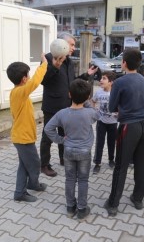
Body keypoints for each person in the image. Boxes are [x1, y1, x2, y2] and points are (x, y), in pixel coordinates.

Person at [39, 32, 98, 177]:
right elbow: (43, 81)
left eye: (74, 45)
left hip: (66, 105)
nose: (73, 48)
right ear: (62, 44)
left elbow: (71, 82)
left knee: (64, 135)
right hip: (52, 106)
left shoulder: (70, 61)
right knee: (48, 135)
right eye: (71, 45)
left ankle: (63, 159)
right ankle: (44, 165)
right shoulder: (48, 58)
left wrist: (85, 75)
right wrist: (54, 67)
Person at [7, 53, 63, 202]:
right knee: (34, 164)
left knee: (24, 164)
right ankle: (20, 193)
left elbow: (33, 81)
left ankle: (32, 184)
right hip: (22, 138)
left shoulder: (18, 92)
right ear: (24, 79)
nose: (30, 77)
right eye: (28, 75)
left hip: (24, 136)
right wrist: (44, 64)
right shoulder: (19, 92)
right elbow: (35, 82)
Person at [103, 48, 144, 217]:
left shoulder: (120, 82)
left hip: (129, 126)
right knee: (140, 163)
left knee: (121, 166)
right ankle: (138, 199)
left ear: (124, 63)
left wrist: (121, 109)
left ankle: (113, 203)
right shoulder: (143, 80)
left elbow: (111, 107)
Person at [44, 79, 100, 220]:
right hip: (84, 152)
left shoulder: (62, 113)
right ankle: (82, 209)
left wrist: (60, 140)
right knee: (83, 180)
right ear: (87, 97)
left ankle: (70, 207)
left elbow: (47, 128)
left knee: (70, 179)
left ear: (69, 94)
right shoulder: (90, 113)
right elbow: (97, 114)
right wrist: (86, 101)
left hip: (67, 150)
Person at [92, 71, 118, 174]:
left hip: (113, 123)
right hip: (101, 122)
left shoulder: (115, 93)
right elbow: (93, 101)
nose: (101, 80)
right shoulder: (98, 92)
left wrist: (119, 113)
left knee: (111, 143)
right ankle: (97, 163)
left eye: (104, 78)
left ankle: (111, 160)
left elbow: (121, 104)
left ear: (111, 82)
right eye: (101, 78)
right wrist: (94, 111)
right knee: (99, 143)